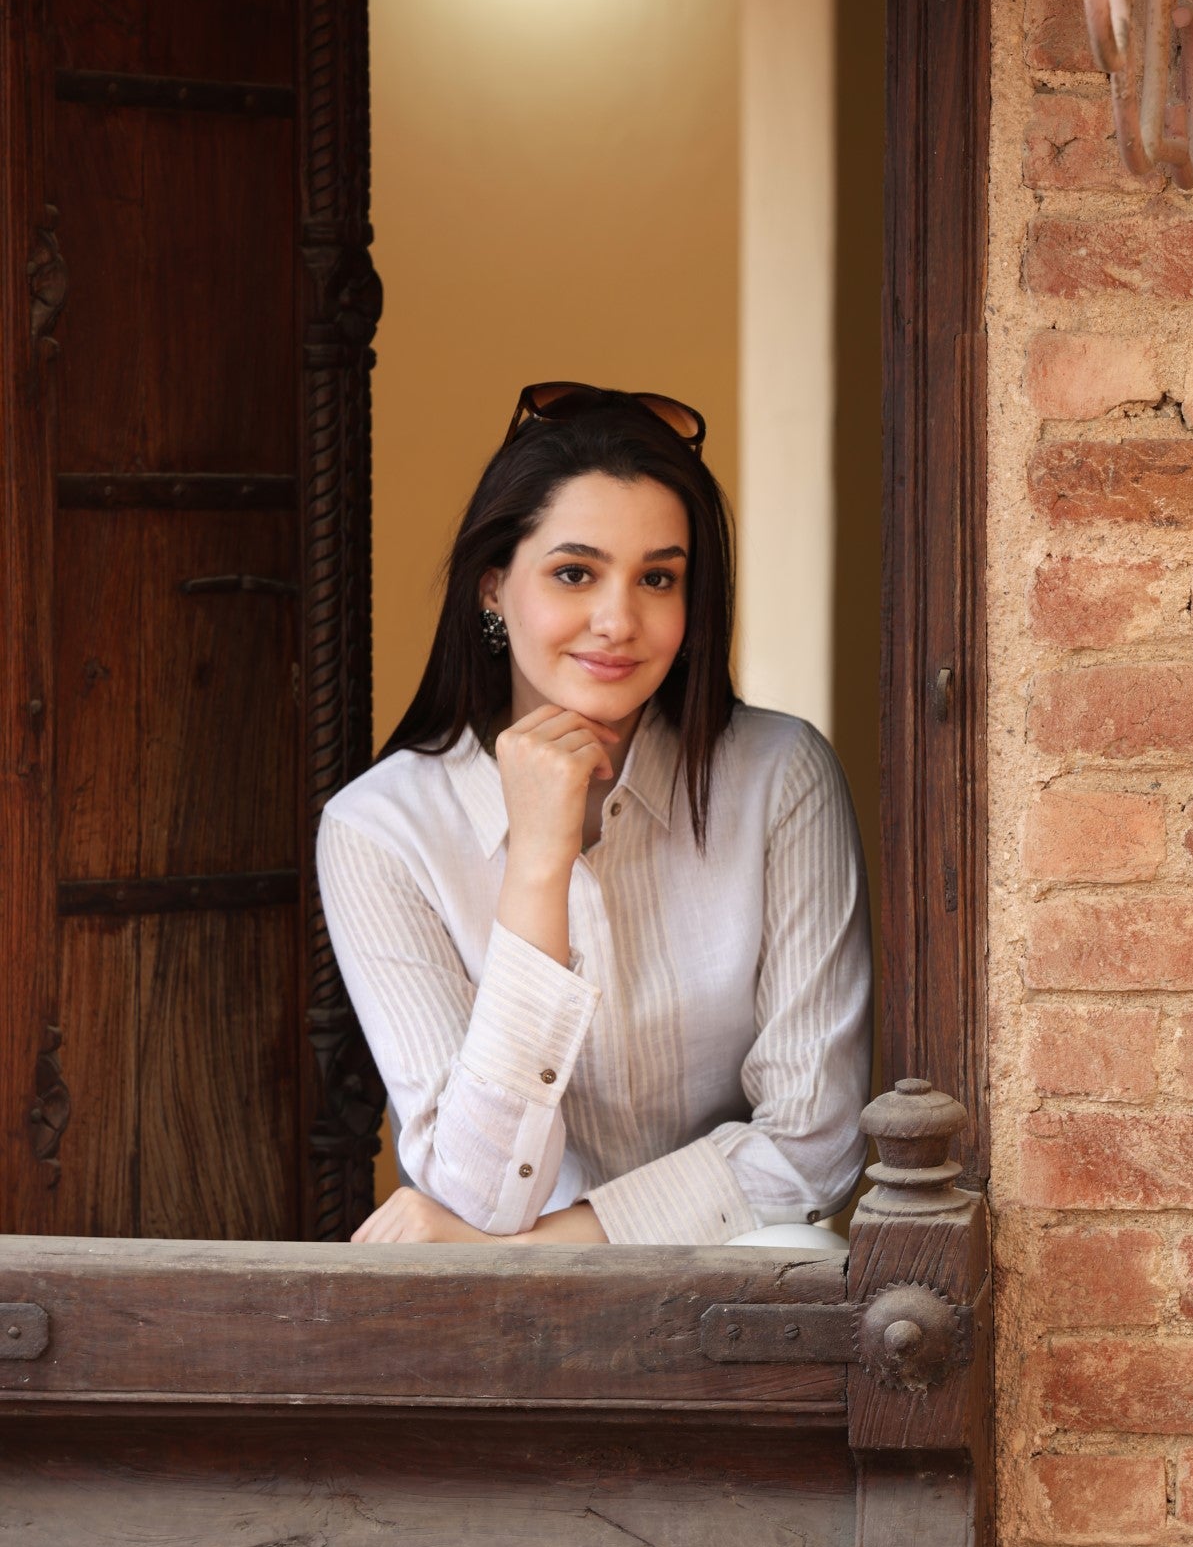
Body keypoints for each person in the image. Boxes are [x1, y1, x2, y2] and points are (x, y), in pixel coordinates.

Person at [317, 381, 873, 1248]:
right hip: (503, 1325)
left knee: (800, 1251)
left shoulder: (780, 777)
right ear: (493, 590)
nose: (618, 621)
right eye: (575, 573)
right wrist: (537, 864)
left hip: (729, 1286)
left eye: (659, 578)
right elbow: (474, 1190)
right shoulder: (380, 832)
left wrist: (542, 1253)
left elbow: (814, 1144)